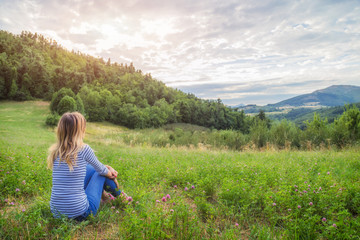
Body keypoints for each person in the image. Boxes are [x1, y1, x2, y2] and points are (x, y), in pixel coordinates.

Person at [47, 112, 121, 221]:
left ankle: (106, 196)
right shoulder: (84, 149)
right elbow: (101, 170)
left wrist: (104, 167)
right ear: (79, 130)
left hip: (57, 214)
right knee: (100, 173)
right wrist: (111, 172)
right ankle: (121, 197)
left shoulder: (55, 152)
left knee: (92, 169)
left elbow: (89, 167)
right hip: (81, 214)